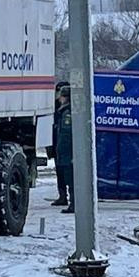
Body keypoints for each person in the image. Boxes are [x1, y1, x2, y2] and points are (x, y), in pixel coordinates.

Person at [54, 84, 74, 214]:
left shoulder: (68, 114)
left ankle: (73, 203)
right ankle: (67, 199)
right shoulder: (63, 112)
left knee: (70, 178)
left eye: (61, 96)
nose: (59, 99)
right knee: (65, 176)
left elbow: (67, 136)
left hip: (67, 153)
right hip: (63, 152)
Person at [48, 81, 69, 206]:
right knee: (60, 172)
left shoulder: (69, 109)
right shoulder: (54, 107)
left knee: (68, 172)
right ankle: (62, 196)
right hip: (57, 143)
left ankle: (70, 197)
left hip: (65, 145)